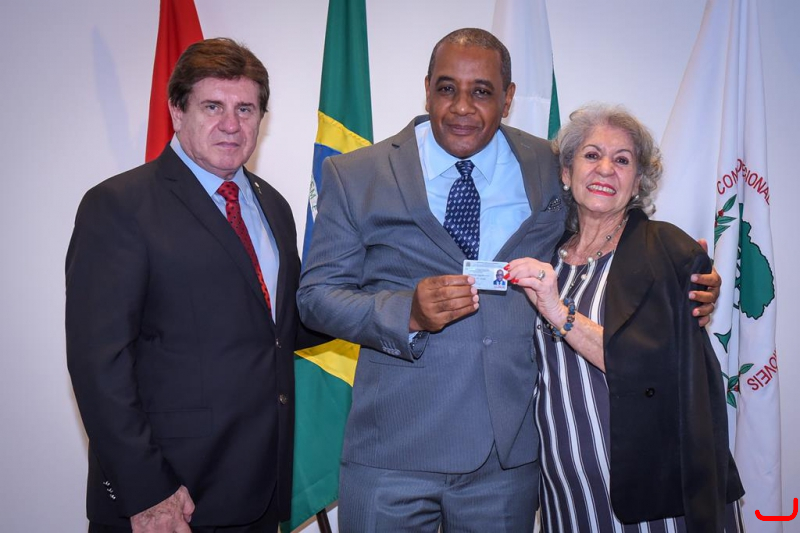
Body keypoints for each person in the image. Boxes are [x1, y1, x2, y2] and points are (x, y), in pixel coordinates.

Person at [298, 29, 720, 532]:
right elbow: (316, 297)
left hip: (506, 463)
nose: (462, 107)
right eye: (447, 88)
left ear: (508, 98)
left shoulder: (547, 164)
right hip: (393, 454)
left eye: (482, 92)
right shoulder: (356, 174)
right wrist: (404, 313)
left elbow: (603, 226)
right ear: (427, 89)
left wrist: (683, 275)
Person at [66, 38, 303, 533]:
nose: (231, 124)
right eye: (213, 106)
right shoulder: (119, 205)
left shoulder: (274, 206)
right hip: (168, 500)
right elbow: (99, 364)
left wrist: (387, 309)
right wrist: (147, 490)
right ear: (177, 111)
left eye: (245, 109)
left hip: (260, 489)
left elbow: (282, 328)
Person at [507, 104, 744, 532]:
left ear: (637, 182)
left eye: (622, 160)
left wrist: (559, 312)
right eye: (591, 155)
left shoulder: (665, 250)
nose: (605, 169)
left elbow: (654, 367)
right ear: (566, 172)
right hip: (567, 491)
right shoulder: (544, 256)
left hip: (656, 494)